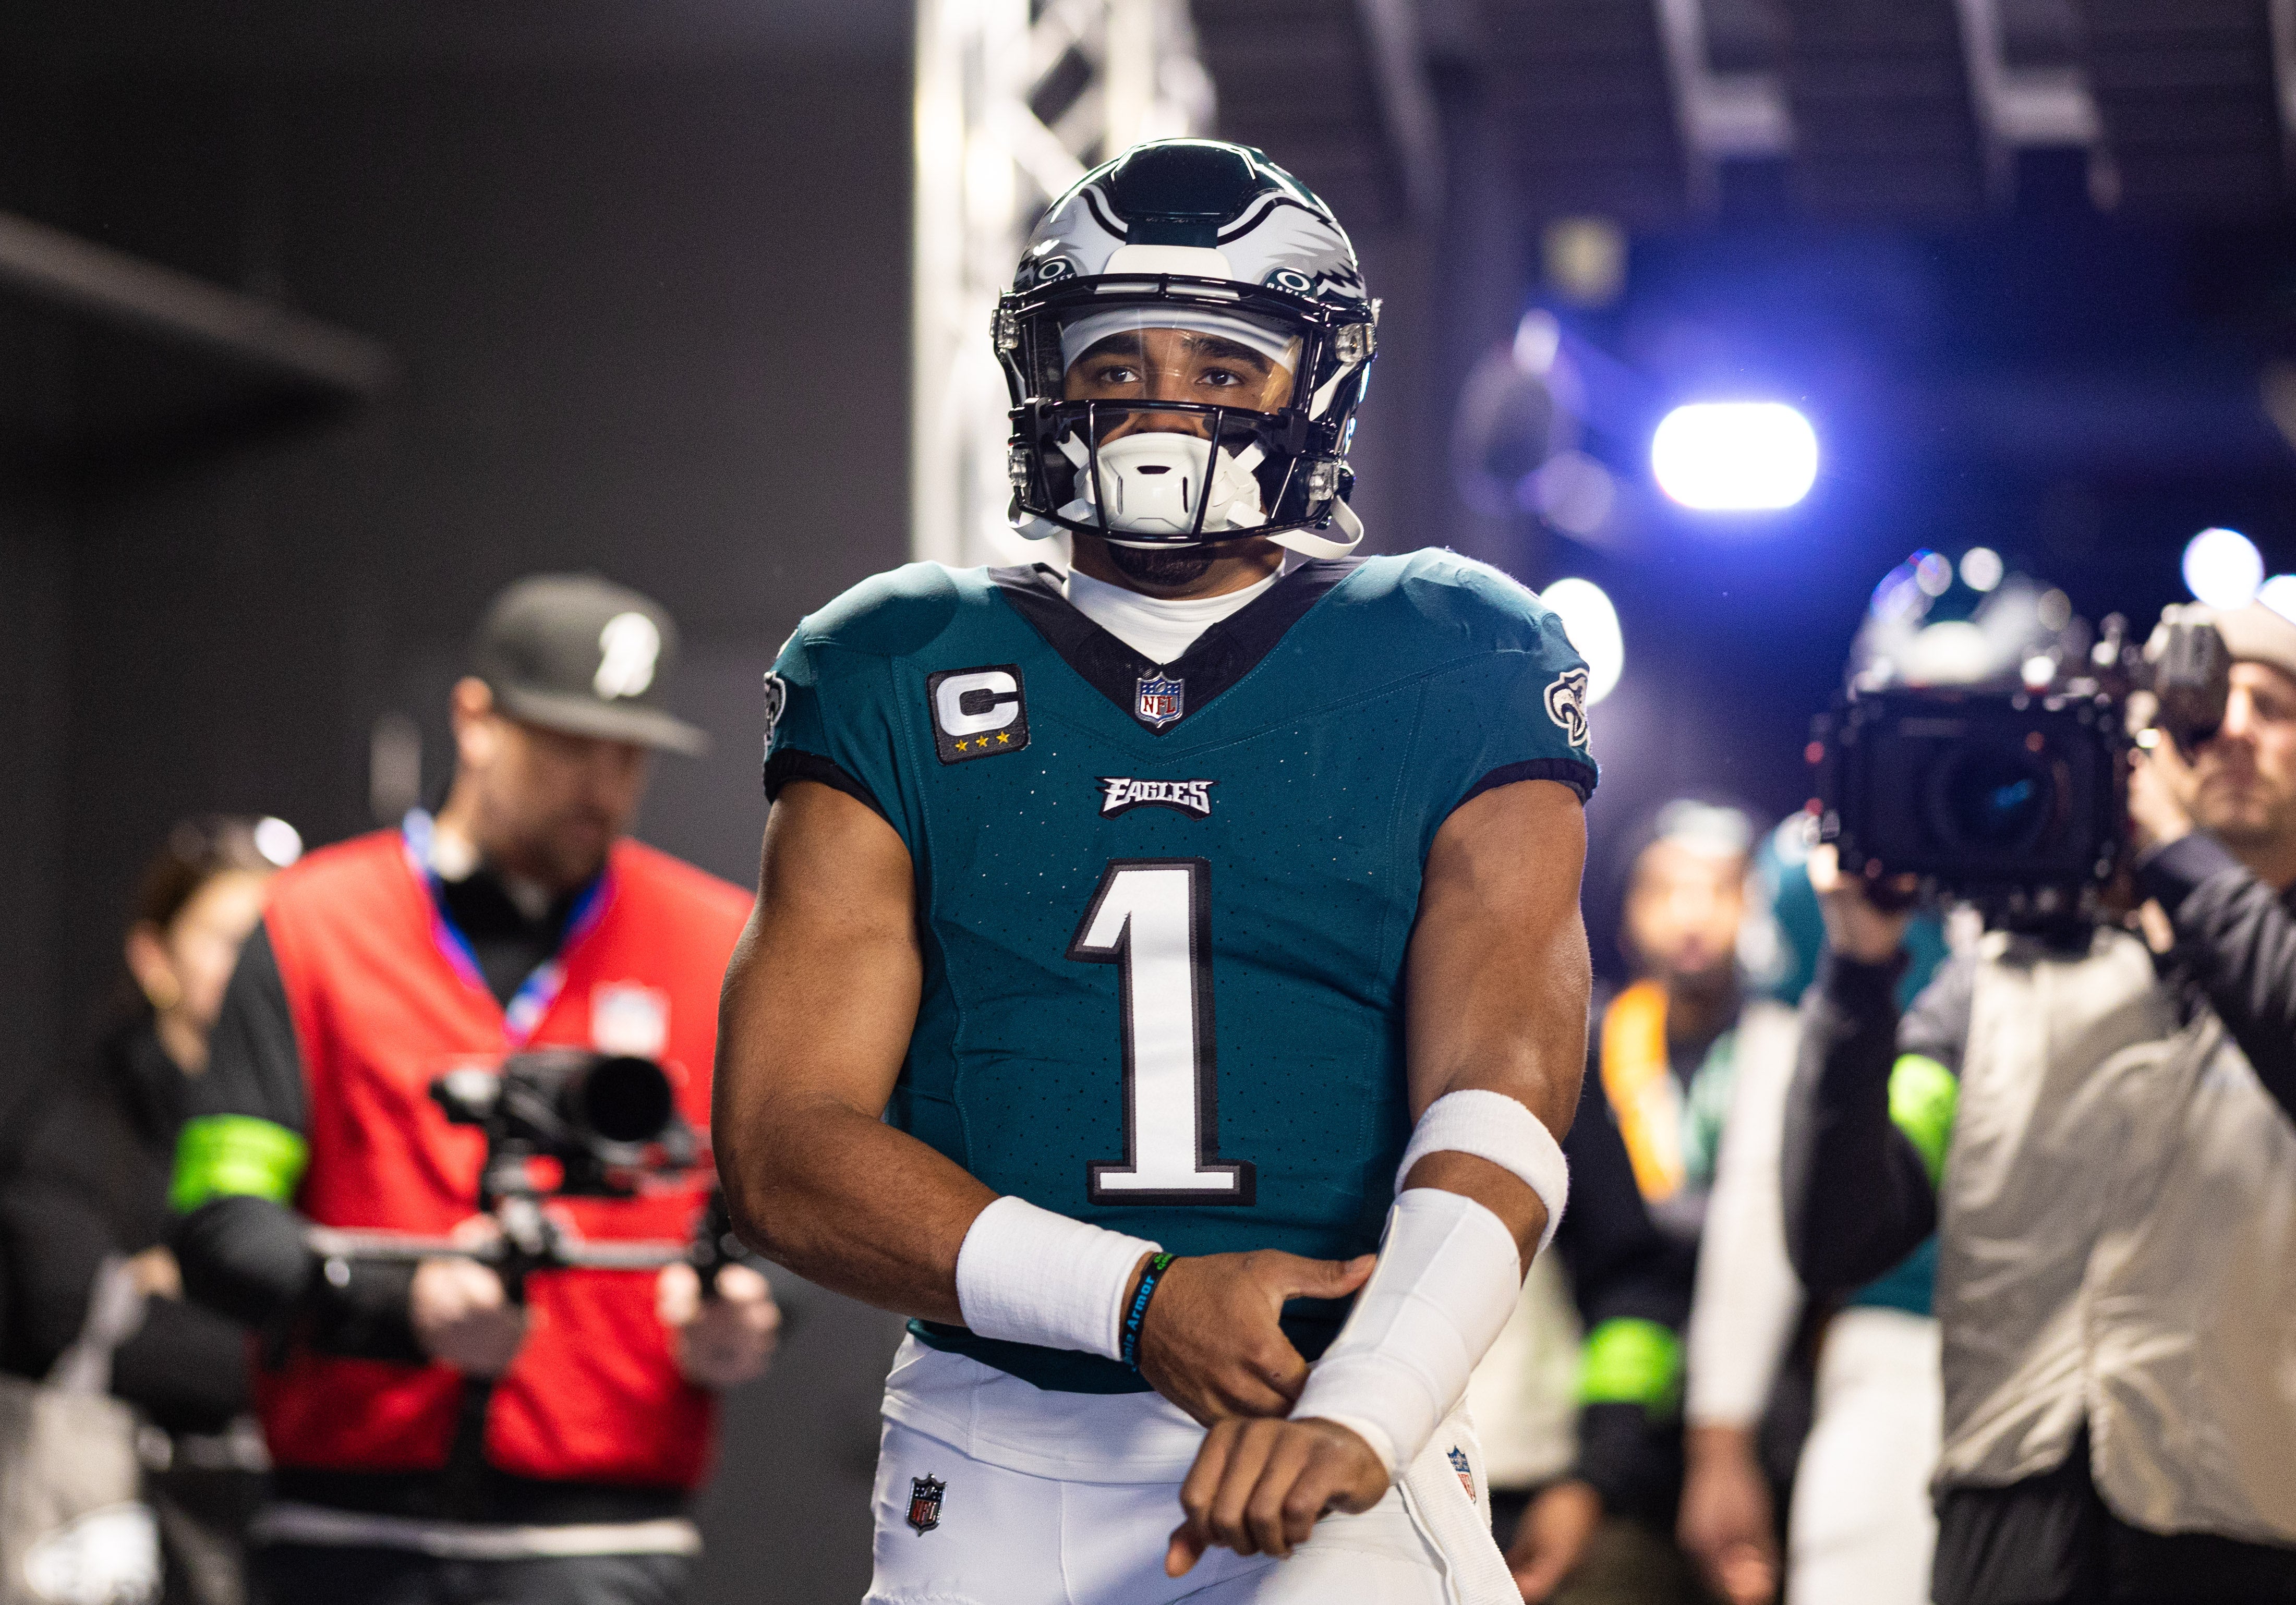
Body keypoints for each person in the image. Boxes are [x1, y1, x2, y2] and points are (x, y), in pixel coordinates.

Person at [715, 137, 1598, 1604]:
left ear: (1312, 384)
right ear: (1042, 374)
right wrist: (1138, 1301)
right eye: (1113, 359)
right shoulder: (894, 657)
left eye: (1223, 363)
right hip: (993, 1450)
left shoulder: (1454, 648)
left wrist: (1365, 1399)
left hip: (1326, 1420)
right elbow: (783, 1148)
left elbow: (1505, 1082)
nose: (1160, 404)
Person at [168, 574, 780, 1605]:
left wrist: (758, 1308)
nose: (601, 784)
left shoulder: (715, 940)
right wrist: (391, 1302)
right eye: (567, 745)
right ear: (476, 721)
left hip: (604, 1539)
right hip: (342, 1530)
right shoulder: (314, 925)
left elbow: (791, 1202)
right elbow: (217, 1220)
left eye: (627, 754)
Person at [1785, 598, 2296, 1604]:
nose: (2232, 727)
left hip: (2243, 1538)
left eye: (2274, 707)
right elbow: (1837, 1236)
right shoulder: (1999, 981)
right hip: (2004, 1534)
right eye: (2202, 710)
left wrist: (2171, 851)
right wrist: (1856, 970)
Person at [1, 814, 299, 1605]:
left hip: (287, 1530)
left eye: (275, 943)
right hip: (112, 1525)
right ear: (154, 958)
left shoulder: (326, 1123)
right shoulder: (75, 1124)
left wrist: (187, 1287)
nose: (255, 968)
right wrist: (285, 1321)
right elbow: (75, 1318)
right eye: (229, 939)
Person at [1505, 800, 1780, 1605]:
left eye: (1719, 891)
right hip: (1617, 1411)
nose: (1692, 915)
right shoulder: (1578, 1053)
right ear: (1623, 914)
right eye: (1665, 891)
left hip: (1766, 1396)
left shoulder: (1786, 1052)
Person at [1673, 818, 1951, 1605]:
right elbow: (1769, 1163)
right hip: (1898, 1343)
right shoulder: (1827, 855)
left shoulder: (2140, 806)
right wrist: (1720, 1438)